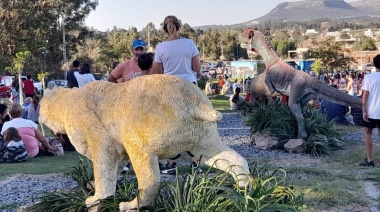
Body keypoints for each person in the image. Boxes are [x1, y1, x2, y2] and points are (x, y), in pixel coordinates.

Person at [152, 15, 201, 174]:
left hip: (169, 89)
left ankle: (171, 163)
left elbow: (158, 73)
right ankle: (195, 163)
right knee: (193, 125)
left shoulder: (160, 47)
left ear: (165, 28)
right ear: (179, 26)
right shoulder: (190, 43)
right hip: (189, 86)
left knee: (171, 127)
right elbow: (197, 68)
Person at [359, 54, 380, 167]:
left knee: (368, 133)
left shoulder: (369, 77)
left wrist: (363, 110)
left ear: (374, 64)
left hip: (371, 110)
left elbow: (365, 95)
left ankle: (370, 159)